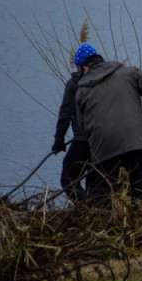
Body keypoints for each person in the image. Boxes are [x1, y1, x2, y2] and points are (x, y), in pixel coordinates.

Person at [72, 43, 142, 202]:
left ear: (85, 68)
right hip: (135, 141)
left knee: (102, 191)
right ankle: (141, 218)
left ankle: (106, 223)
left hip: (104, 147)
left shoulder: (82, 90)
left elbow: (83, 127)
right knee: (140, 184)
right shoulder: (129, 73)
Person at [51, 67, 94, 201]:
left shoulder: (74, 84)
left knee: (68, 179)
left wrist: (59, 140)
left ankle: (86, 207)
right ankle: (98, 212)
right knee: (95, 180)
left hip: (82, 140)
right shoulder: (107, 81)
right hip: (104, 140)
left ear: (81, 66)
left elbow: (65, 113)